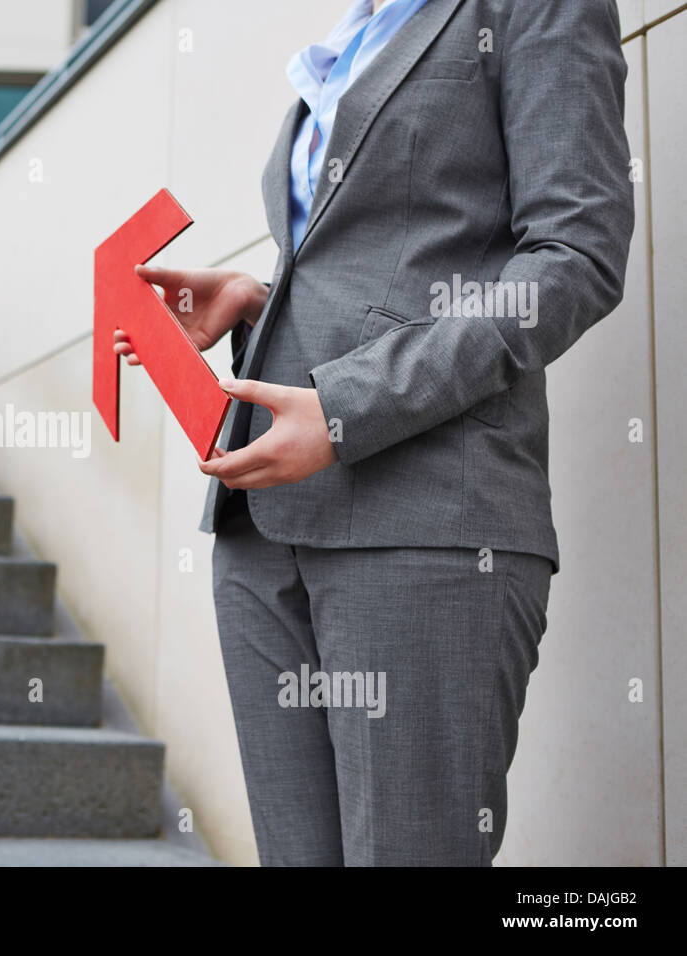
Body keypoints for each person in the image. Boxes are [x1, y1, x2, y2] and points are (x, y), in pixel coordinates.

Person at [114, 0, 635, 865]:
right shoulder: (361, 29)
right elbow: (377, 257)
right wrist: (258, 301)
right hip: (262, 535)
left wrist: (350, 402)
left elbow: (576, 254)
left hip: (426, 528)